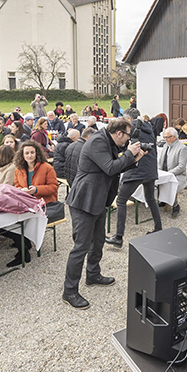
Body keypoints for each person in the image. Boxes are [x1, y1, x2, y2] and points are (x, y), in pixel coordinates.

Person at [63, 118, 145, 310]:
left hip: (97, 199)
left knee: (98, 240)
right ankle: (69, 291)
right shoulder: (98, 141)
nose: (127, 141)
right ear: (119, 133)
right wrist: (129, 154)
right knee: (81, 246)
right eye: (127, 136)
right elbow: (110, 167)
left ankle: (93, 274)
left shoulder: (108, 141)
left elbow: (114, 167)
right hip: (84, 200)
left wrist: (134, 159)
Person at [107, 109, 162, 246]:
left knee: (121, 201)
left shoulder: (132, 129)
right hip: (150, 169)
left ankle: (118, 237)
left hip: (137, 169)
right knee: (150, 198)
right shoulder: (148, 127)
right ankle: (158, 228)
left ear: (129, 119)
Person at [9, 140, 59, 267]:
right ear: (22, 155)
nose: (30, 155)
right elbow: (17, 185)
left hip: (44, 204)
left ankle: (24, 252)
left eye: (32, 152)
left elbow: (54, 187)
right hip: (27, 202)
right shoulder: (19, 168)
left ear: (37, 153)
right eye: (27, 153)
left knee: (17, 219)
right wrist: (21, 190)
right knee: (9, 219)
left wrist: (37, 189)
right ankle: (24, 244)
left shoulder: (47, 167)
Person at [158, 127, 187, 218]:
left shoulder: (182, 148)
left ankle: (175, 205)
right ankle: (163, 199)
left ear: (174, 137)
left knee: (170, 184)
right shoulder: (166, 145)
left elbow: (181, 166)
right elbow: (161, 161)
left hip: (177, 175)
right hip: (164, 172)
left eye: (167, 137)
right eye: (164, 137)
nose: (165, 139)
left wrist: (169, 173)